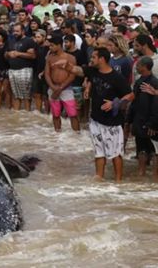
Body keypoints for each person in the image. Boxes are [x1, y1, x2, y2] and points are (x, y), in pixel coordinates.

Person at [57, 47, 133, 182]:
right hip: (95, 120)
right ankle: (99, 180)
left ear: (102, 59)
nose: (91, 59)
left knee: (116, 154)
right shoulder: (93, 71)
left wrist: (116, 103)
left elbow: (131, 94)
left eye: (93, 57)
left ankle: (118, 182)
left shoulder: (117, 77)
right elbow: (78, 70)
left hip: (112, 122)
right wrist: (67, 66)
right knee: (99, 152)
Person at [127, 56, 158, 177]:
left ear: (145, 67)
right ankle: (141, 174)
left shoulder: (155, 83)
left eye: (138, 65)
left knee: (155, 151)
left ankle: (155, 176)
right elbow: (135, 103)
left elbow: (156, 106)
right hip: (139, 121)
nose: (136, 67)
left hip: (151, 123)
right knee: (141, 149)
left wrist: (153, 123)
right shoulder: (139, 82)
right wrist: (129, 120)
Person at [45, 36, 79, 132]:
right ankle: (58, 135)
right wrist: (53, 87)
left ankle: (77, 136)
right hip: (53, 88)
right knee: (55, 114)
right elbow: (47, 74)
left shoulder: (70, 58)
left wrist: (60, 88)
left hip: (66, 89)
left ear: (59, 45)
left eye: (52, 46)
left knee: (73, 114)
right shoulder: (49, 58)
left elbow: (72, 76)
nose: (50, 48)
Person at [6, 23, 36, 110]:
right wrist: (8, 54)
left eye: (17, 31)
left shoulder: (29, 41)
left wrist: (19, 54)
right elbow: (6, 53)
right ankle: (18, 116)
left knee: (26, 95)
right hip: (12, 70)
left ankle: (27, 114)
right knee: (16, 95)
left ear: (23, 31)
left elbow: (33, 56)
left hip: (25, 70)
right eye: (14, 31)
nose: (15, 33)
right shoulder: (11, 40)